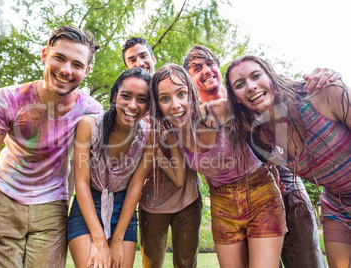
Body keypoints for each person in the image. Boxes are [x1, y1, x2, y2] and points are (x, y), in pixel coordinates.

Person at [0, 25, 103, 268]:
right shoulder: (9, 99)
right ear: (45, 55)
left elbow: (94, 173)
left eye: (77, 64)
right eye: (59, 58)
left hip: (51, 210)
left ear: (87, 71)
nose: (65, 70)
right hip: (2, 201)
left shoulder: (91, 111)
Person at [183, 45, 332, 268]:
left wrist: (324, 77)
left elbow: (282, 92)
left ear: (218, 66)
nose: (206, 70)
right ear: (189, 77)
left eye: (210, 63)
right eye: (197, 68)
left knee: (304, 257)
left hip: (283, 180)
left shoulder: (242, 94)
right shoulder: (191, 117)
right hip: (232, 202)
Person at [150, 63, 289, 268]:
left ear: (191, 92)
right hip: (222, 206)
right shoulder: (173, 136)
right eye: (165, 98)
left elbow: (267, 127)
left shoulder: (221, 110)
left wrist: (273, 166)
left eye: (181, 94)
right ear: (158, 104)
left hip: (260, 195)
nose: (175, 105)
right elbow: (179, 179)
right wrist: (154, 151)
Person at [224, 55, 350, 268]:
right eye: (240, 84)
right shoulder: (261, 134)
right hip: (337, 207)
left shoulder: (323, 93)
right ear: (236, 97)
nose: (251, 86)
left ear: (270, 76)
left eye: (256, 76)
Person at [67, 67, 185, 268]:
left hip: (124, 209)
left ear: (149, 105)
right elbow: (82, 182)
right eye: (126, 96)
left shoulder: (149, 135)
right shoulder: (89, 126)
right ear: (115, 96)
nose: (133, 105)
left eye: (142, 99)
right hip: (88, 205)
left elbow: (136, 186)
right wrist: (99, 240)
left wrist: (117, 240)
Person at [122, 37, 202, 268]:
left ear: (152, 58)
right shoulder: (133, 109)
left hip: (187, 200)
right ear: (128, 66)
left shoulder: (177, 94)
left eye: (143, 55)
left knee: (186, 263)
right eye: (132, 59)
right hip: (151, 204)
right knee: (151, 264)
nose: (139, 62)